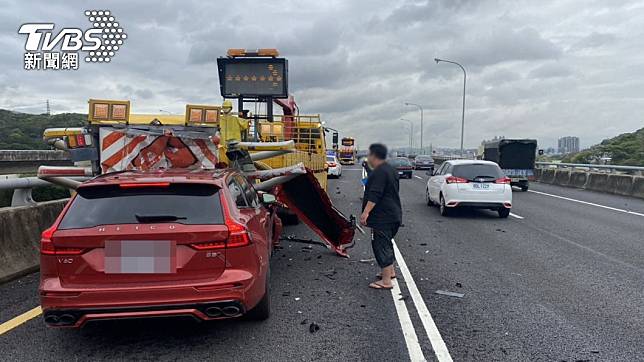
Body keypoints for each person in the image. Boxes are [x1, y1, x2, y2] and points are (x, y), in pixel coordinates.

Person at [360, 143, 402, 290]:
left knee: (380, 244)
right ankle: (390, 272)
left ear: (373, 155)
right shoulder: (390, 169)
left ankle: (386, 281)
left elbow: (375, 194)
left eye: (369, 154)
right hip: (394, 214)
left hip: (382, 216)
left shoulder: (379, 172)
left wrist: (365, 213)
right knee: (387, 242)